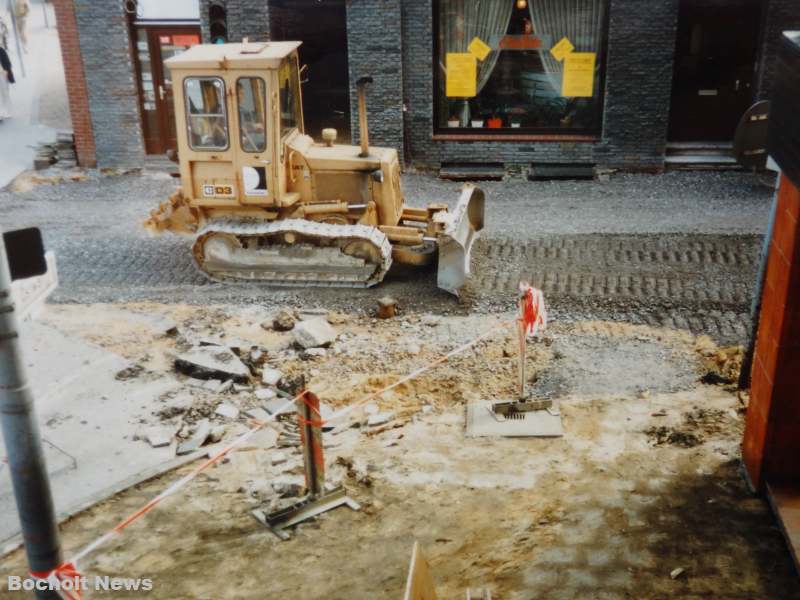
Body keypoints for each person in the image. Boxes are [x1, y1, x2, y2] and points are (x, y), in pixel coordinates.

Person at [0, 44, 14, 121]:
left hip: (2, 75)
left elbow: (8, 63)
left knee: (5, 93)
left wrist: (6, 71)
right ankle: (1, 113)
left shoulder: (1, 50)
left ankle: (8, 111)